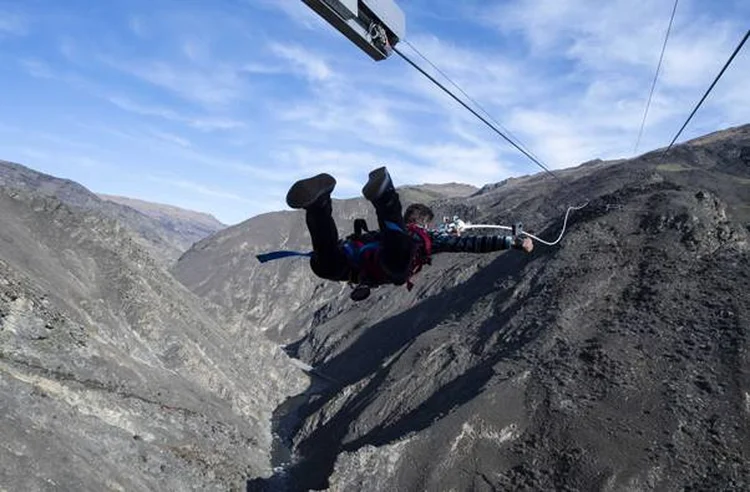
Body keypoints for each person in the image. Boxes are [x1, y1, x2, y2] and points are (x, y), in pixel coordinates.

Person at [285, 166, 533, 299]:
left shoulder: (382, 237)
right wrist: (511, 241)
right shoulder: (427, 238)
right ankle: (386, 198)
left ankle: (318, 205)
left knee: (324, 262)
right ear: (425, 223)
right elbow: (470, 244)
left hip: (354, 264)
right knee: (399, 264)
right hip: (378, 267)